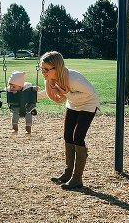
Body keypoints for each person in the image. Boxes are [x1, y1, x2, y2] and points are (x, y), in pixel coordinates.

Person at [40, 51, 99, 189]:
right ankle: (68, 173)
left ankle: (77, 178)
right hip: (73, 103)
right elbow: (51, 94)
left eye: (46, 69)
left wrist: (67, 94)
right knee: (67, 136)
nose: (43, 72)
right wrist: (32, 94)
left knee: (77, 137)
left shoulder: (73, 78)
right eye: (42, 68)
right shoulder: (51, 79)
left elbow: (90, 93)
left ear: (57, 68)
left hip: (88, 104)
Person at [6, 70, 45, 135]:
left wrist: (35, 89)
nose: (11, 88)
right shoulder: (10, 91)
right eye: (10, 86)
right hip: (15, 108)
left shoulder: (27, 88)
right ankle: (14, 129)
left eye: (13, 86)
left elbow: (31, 89)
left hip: (27, 108)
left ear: (20, 86)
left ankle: (28, 130)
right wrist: (12, 93)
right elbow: (9, 91)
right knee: (14, 115)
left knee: (29, 115)